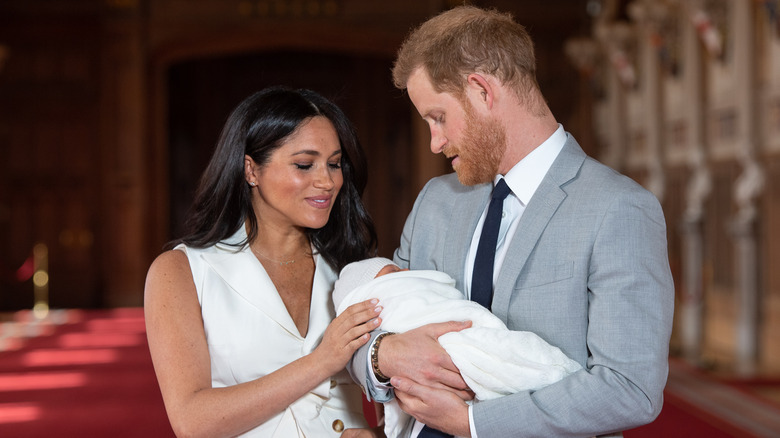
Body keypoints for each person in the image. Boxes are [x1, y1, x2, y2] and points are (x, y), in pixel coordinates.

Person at [349, 6, 675, 438]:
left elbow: (630, 389)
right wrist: (383, 355)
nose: (435, 142)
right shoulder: (436, 201)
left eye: (439, 118)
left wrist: (473, 424)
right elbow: (370, 320)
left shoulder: (619, 209)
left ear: (482, 91)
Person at [144, 87, 385, 437]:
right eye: (304, 165)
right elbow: (192, 421)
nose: (327, 181)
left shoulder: (355, 268)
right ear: (251, 170)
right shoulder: (182, 271)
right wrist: (320, 362)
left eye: (334, 164)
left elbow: (400, 403)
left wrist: (377, 435)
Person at [334, 257, 581, 438]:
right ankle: (548, 371)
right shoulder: (430, 202)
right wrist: (384, 352)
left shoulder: (611, 202)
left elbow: (617, 384)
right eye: (395, 271)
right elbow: (354, 345)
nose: (407, 271)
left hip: (535, 417)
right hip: (424, 421)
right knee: (497, 358)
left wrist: (469, 422)